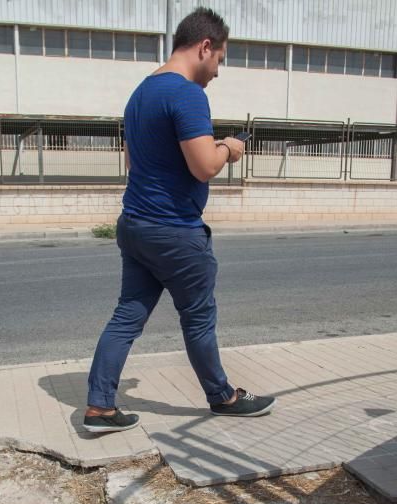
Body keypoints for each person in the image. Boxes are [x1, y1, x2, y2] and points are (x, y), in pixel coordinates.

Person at [83, 7, 276, 434]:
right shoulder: (187, 94)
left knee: (127, 316)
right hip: (174, 232)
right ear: (205, 47)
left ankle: (99, 407)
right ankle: (223, 397)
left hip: (135, 224)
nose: (218, 72)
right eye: (220, 60)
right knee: (199, 317)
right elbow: (204, 166)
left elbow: (134, 161)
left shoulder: (139, 94)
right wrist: (229, 147)